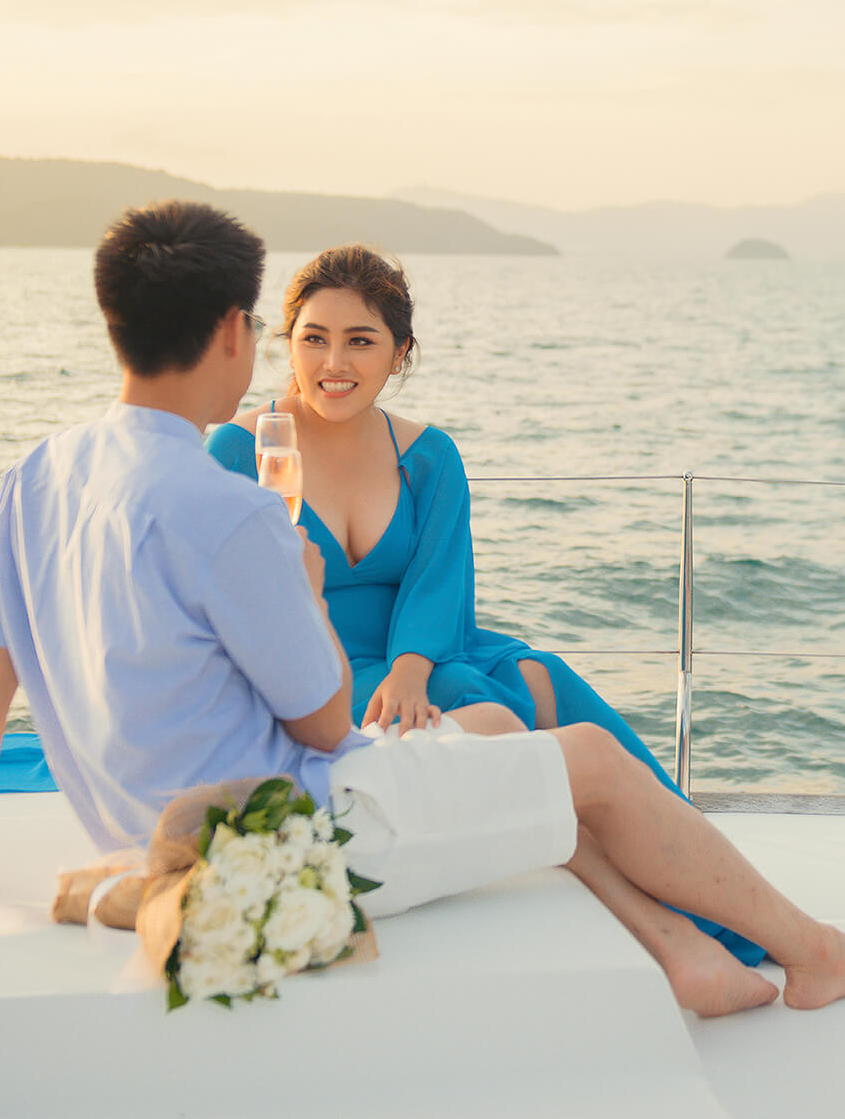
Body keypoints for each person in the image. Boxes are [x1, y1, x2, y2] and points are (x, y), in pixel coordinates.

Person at [0, 201, 845, 1018]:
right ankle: (810, 951)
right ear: (243, 331)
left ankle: (687, 946)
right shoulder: (227, 498)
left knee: (510, 728)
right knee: (589, 760)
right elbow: (329, 725)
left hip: (143, 824)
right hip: (282, 838)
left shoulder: (37, 472)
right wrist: (299, 590)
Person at [205, 244, 765, 965]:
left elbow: (440, 578)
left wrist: (411, 666)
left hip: (425, 647)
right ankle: (673, 928)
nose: (332, 363)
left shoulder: (429, 455)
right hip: (322, 666)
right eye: (313, 339)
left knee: (541, 677)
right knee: (483, 696)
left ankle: (724, 909)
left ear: (400, 353)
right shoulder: (240, 449)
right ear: (289, 343)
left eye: (360, 341)